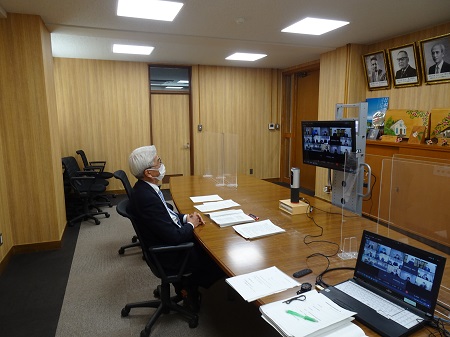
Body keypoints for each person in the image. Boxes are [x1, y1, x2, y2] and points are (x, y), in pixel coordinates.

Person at [127, 145, 224, 312]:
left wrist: (187, 218)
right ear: (148, 173)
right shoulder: (147, 198)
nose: (162, 164)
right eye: (158, 162)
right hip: (169, 255)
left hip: (162, 244)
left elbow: (167, 215)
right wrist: (191, 225)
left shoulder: (145, 189)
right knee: (219, 256)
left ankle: (187, 284)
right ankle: (190, 285)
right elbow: (176, 237)